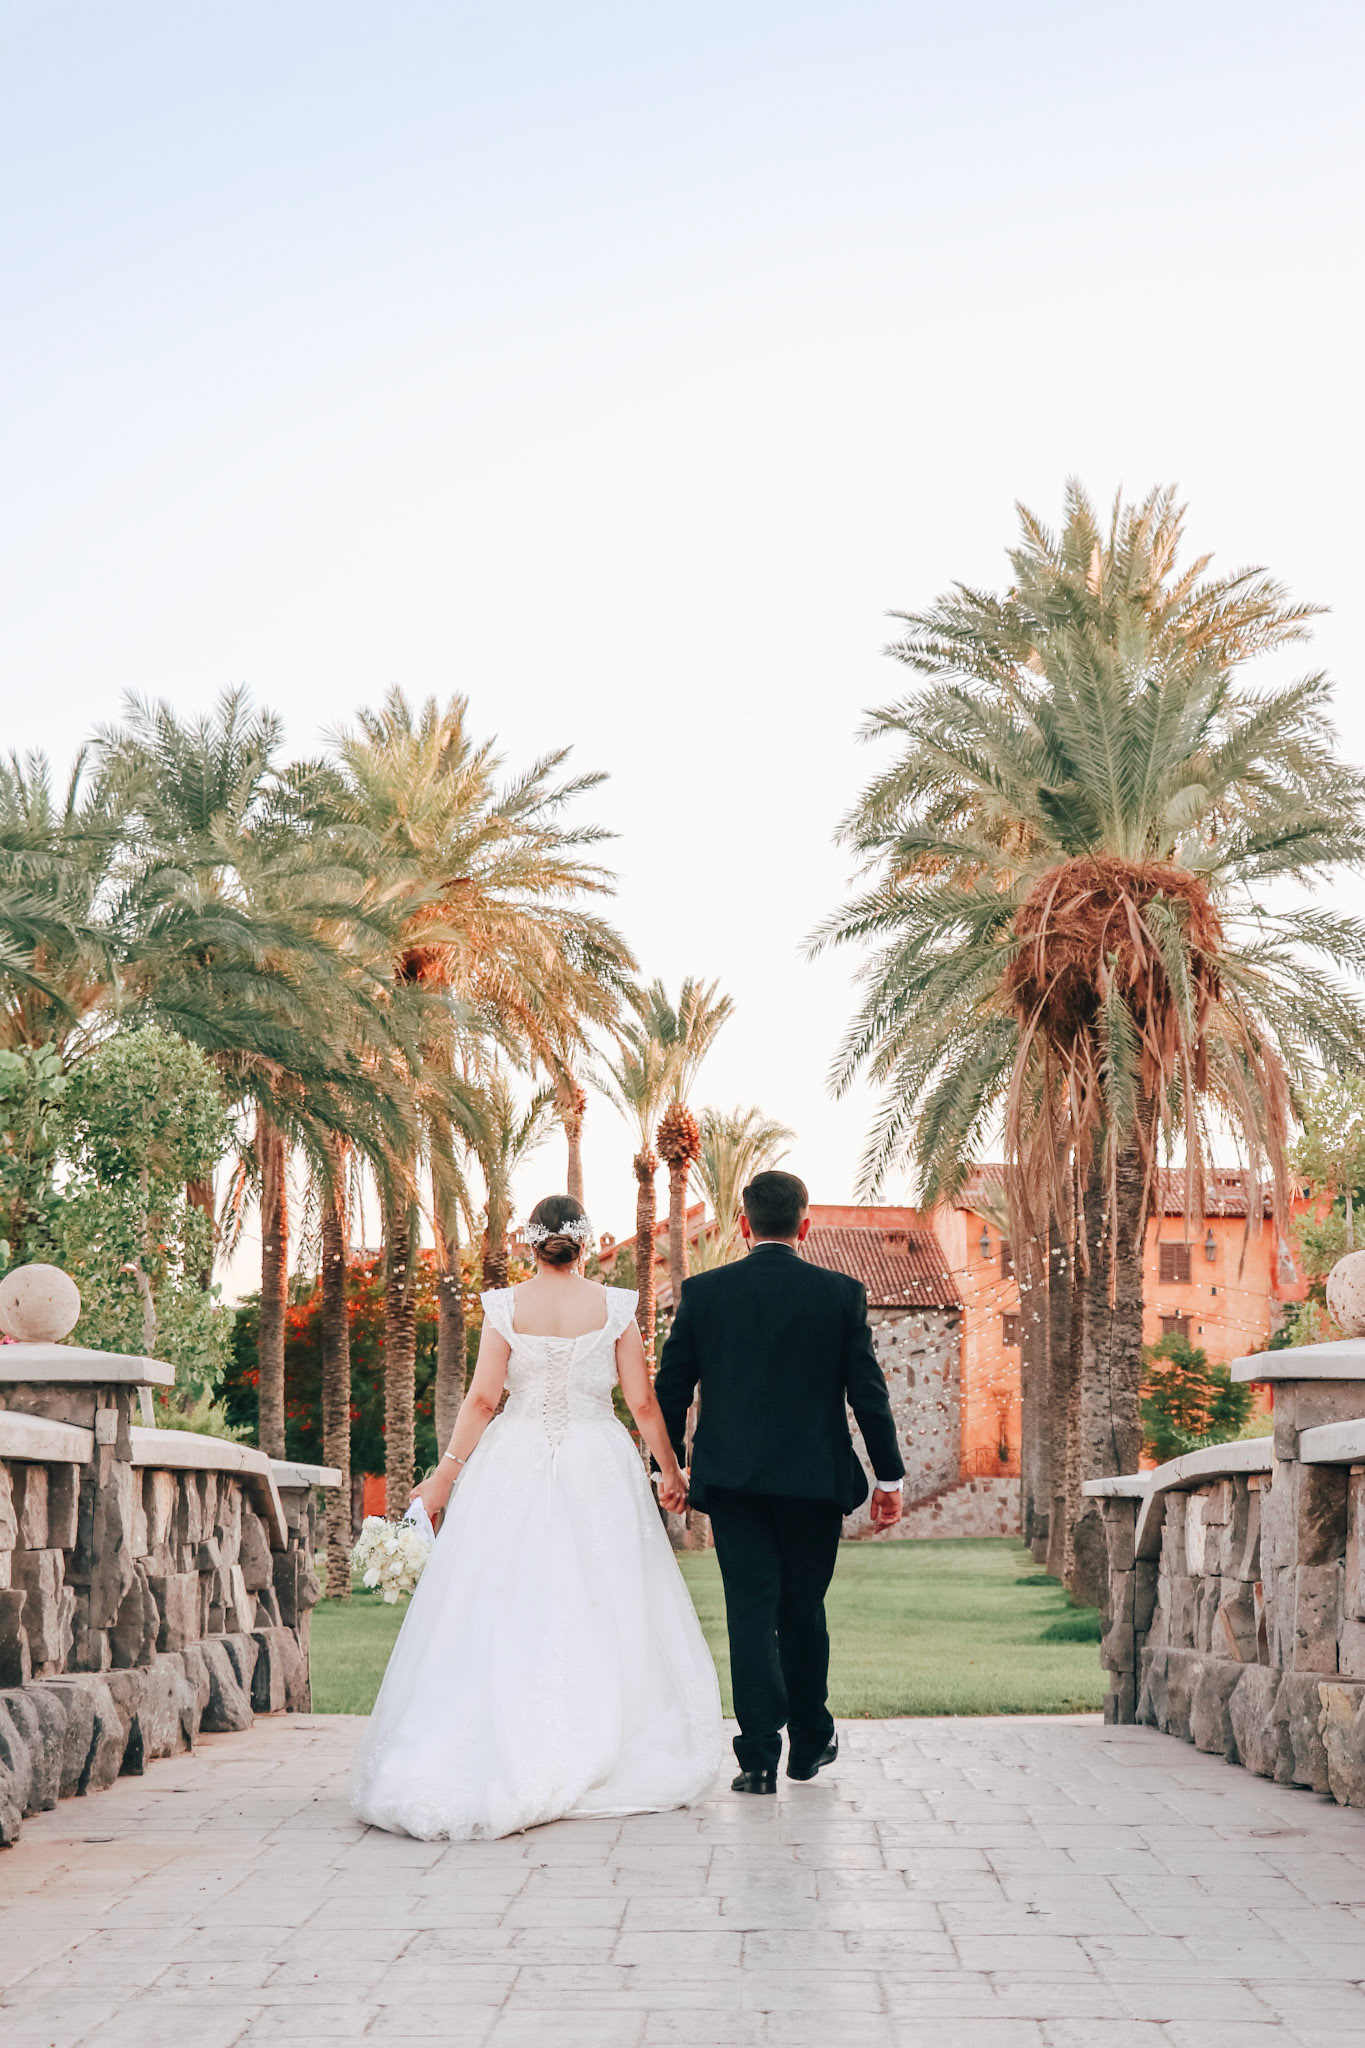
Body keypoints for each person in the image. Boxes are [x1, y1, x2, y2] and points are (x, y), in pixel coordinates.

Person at [350, 1194, 723, 1840]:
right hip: (597, 1459)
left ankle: (497, 1736)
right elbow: (642, 1403)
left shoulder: (506, 1306)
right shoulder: (615, 1307)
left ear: (530, 1243)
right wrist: (670, 1470)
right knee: (604, 1596)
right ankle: (601, 1734)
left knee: (505, 1593)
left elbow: (482, 1399)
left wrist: (444, 1478)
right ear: (585, 1243)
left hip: (513, 1457)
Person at [654, 1169, 905, 1794]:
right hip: (814, 1484)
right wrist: (888, 1476)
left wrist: (669, 1468)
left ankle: (758, 1759)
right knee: (802, 1610)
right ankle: (810, 1743)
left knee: (749, 1611)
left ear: (743, 1225)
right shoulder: (840, 1294)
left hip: (732, 1485)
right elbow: (868, 1393)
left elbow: (671, 1389)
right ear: (805, 1225)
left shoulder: (704, 1293)